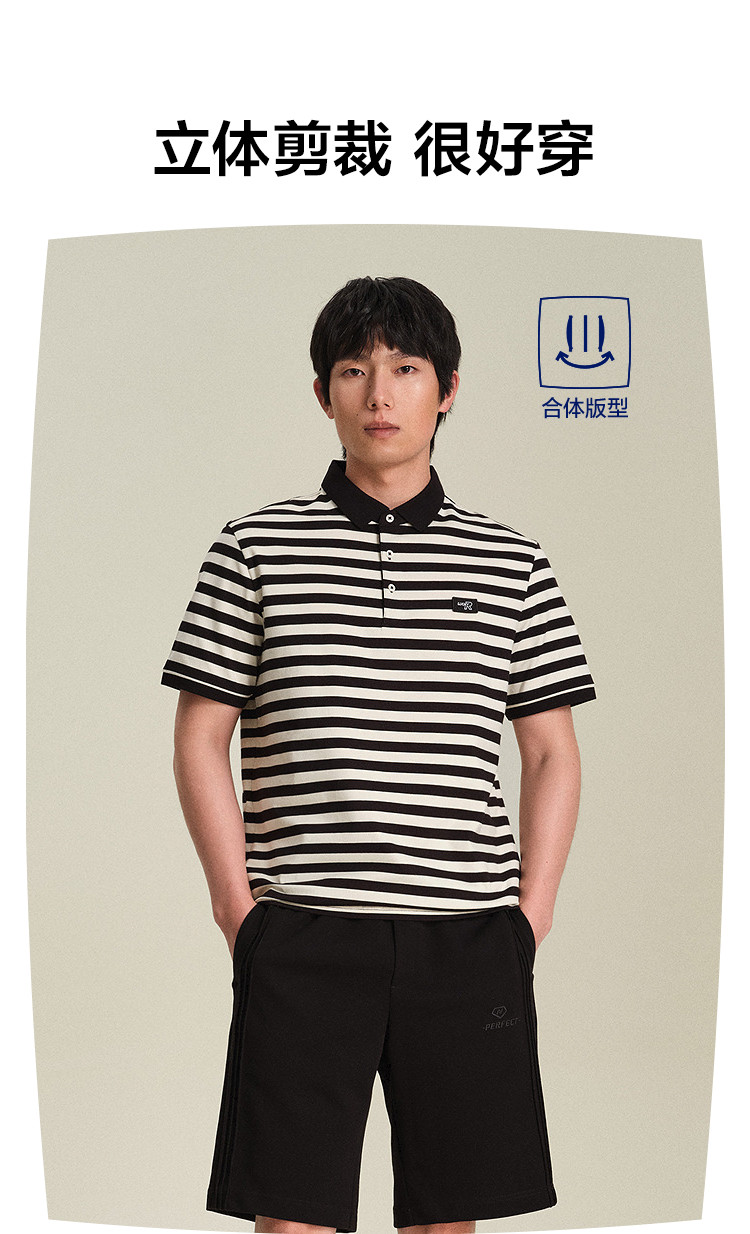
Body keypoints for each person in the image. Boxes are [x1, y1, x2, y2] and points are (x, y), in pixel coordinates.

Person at [161, 276, 597, 1234]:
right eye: (354, 371)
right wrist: (238, 909)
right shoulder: (255, 547)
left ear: (448, 390)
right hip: (304, 929)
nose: (380, 393)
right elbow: (200, 733)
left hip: (467, 934)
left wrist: (530, 916)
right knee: (292, 1215)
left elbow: (552, 753)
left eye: (405, 368)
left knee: (450, 1215)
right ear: (324, 394)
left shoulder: (513, 561)